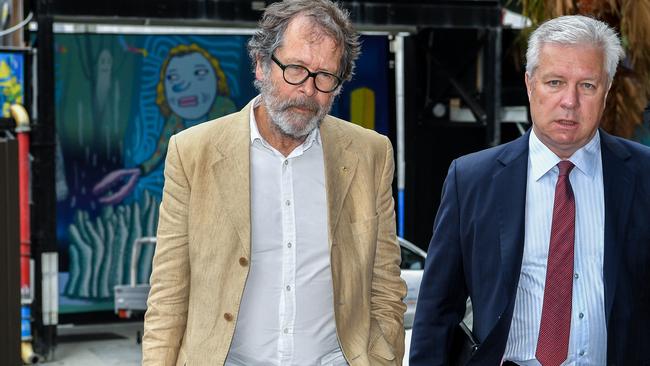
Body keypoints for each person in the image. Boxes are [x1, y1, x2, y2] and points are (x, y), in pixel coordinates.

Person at [142, 1, 407, 365]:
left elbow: (385, 286)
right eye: (296, 69)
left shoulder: (370, 155)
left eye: (325, 76)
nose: (308, 91)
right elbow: (169, 292)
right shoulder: (193, 153)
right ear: (262, 65)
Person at [410, 15, 650, 366]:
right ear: (529, 84)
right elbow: (437, 311)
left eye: (587, 85)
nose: (570, 101)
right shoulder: (472, 179)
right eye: (555, 82)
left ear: (607, 90)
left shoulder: (643, 175)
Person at [93, 44, 237, 205]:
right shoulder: (176, 120)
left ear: (216, 80)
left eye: (199, 73)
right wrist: (139, 170)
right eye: (173, 78)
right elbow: (160, 151)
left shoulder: (225, 109)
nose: (184, 85)